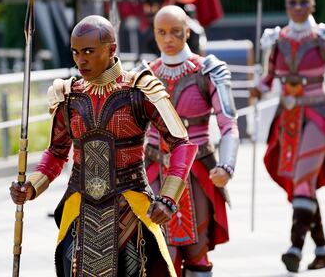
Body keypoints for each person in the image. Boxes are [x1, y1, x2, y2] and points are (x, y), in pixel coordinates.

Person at [10, 15, 198, 277]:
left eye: (89, 51)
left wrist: (168, 197)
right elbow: (56, 152)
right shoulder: (68, 95)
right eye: (75, 52)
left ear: (111, 49)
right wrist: (31, 187)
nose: (80, 60)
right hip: (80, 205)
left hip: (130, 203)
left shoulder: (140, 89)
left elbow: (181, 143)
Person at [250, 0, 325, 273]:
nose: (297, 6)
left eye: (303, 2)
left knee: (302, 180)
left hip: (319, 117)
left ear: (313, 5)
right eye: (292, 2)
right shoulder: (276, 40)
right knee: (303, 185)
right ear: (286, 6)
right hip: (288, 121)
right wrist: (256, 89)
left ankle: (295, 247)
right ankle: (322, 250)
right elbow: (268, 79)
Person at [145, 5, 239, 276]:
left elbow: (229, 123)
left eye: (175, 31)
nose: (168, 39)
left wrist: (227, 165)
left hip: (197, 170)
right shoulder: (144, 75)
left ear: (187, 31)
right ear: (154, 34)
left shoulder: (209, 70)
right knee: (160, 250)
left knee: (196, 249)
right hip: (154, 169)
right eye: (162, 32)